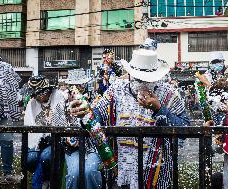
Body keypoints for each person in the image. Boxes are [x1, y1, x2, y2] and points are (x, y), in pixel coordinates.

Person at [71, 49, 190, 188]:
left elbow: (185, 129)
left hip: (157, 173)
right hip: (120, 170)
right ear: (130, 75)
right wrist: (85, 112)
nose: (142, 83)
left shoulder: (168, 93)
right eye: (138, 79)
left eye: (148, 79)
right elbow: (98, 114)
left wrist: (159, 109)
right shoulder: (116, 89)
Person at [25, 76, 102, 189]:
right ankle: (44, 181)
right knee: (32, 158)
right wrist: (66, 138)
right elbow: (61, 129)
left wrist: (87, 115)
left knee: (88, 172)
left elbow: (97, 126)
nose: (72, 94)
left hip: (86, 147)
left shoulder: (92, 106)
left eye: (77, 90)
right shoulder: (62, 107)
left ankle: (42, 183)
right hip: (68, 148)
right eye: (71, 91)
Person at [0, 54, 22, 184]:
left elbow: (16, 82)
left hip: (4, 112)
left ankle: (7, 172)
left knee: (6, 141)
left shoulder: (6, 67)